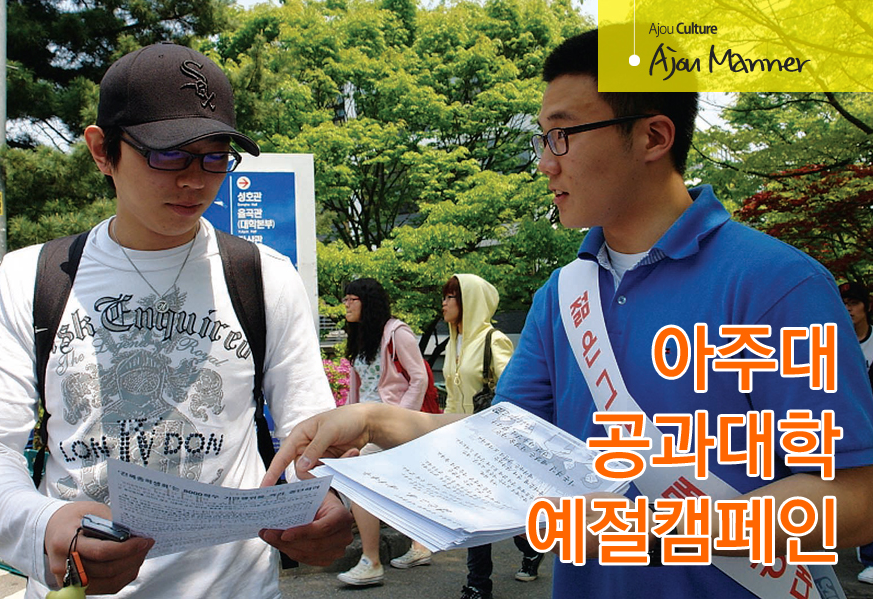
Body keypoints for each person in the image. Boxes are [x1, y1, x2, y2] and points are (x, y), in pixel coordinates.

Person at [264, 28, 873, 599]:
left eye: (563, 135)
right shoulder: (564, 294)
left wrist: (650, 524)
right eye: (542, 139)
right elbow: (502, 442)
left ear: (653, 137)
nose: (545, 163)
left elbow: (854, 495)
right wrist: (372, 421)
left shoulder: (776, 284)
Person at [0, 42, 352, 598]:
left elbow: (307, 436)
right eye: (168, 155)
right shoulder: (33, 277)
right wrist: (44, 525)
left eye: (215, 157)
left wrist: (328, 500)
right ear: (102, 151)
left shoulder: (264, 276)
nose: (195, 181)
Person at [440, 274, 541, 599]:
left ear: (469, 301)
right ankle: (479, 583)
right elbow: (453, 396)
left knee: (494, 511)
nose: (444, 303)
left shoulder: (492, 340)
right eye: (444, 296)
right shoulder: (454, 342)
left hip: (491, 442)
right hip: (462, 440)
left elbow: (514, 392)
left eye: (451, 297)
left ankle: (523, 551)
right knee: (476, 512)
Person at [336, 277, 434, 586]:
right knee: (397, 483)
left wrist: (399, 420)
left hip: (390, 424)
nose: (345, 305)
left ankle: (371, 560)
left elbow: (419, 377)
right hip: (365, 425)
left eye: (351, 299)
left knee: (359, 476)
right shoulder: (361, 336)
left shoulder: (397, 333)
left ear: (368, 302)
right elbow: (357, 389)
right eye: (345, 299)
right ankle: (420, 544)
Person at [840, 280, 873, 584]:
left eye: (854, 303)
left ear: (867, 307)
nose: (848, 309)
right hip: (852, 427)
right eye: (844, 303)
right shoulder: (834, 340)